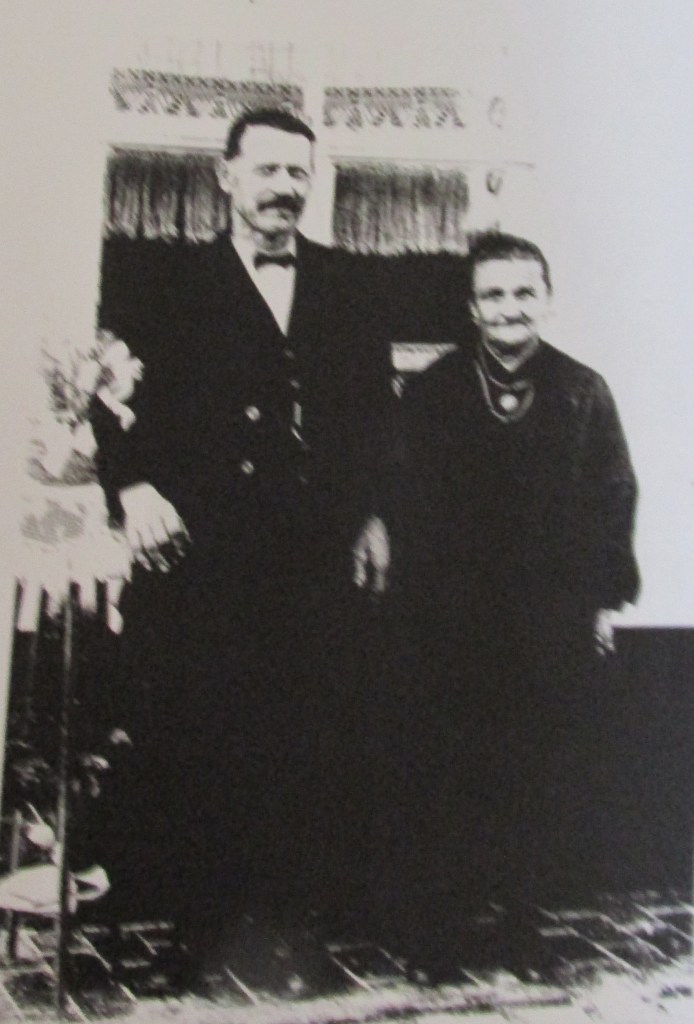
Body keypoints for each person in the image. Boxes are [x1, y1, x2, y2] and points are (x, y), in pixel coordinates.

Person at [91, 108, 392, 945]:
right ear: (225, 177)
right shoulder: (163, 281)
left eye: (299, 173)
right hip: (206, 551)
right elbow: (108, 398)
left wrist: (372, 516)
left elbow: (375, 418)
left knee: (309, 728)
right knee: (206, 727)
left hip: (316, 549)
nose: (285, 189)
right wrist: (136, 483)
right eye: (267, 171)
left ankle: (293, 922)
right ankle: (201, 924)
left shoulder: (349, 284)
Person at [385, 231, 640, 977]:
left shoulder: (583, 390)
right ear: (471, 306)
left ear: (547, 299)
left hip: (546, 618)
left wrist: (601, 600)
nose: (509, 308)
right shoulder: (433, 390)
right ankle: (440, 934)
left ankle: (524, 927)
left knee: (531, 774)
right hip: (453, 616)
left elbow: (614, 496)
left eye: (524, 292)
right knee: (449, 774)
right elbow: (406, 495)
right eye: (493, 294)